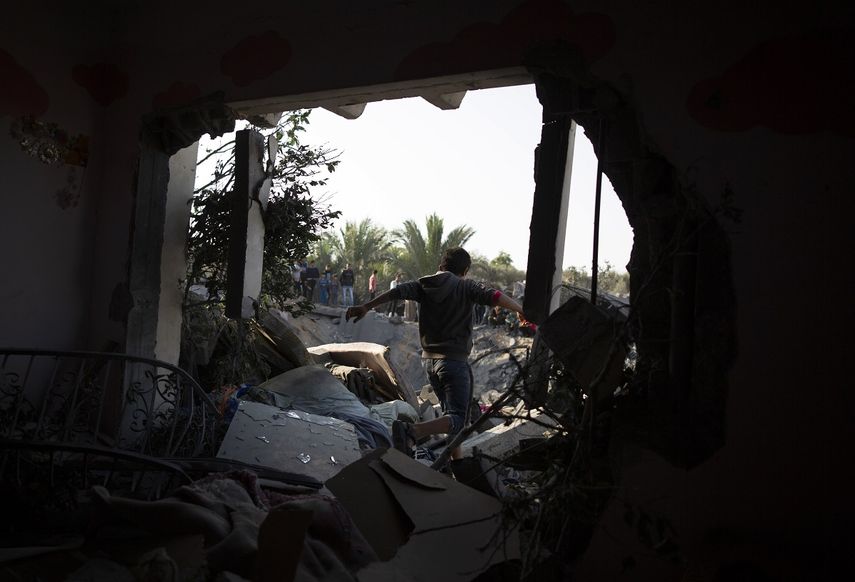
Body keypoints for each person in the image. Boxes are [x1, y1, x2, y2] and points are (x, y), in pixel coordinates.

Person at [346, 247, 525, 461]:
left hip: (430, 362)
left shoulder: (424, 284)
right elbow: (495, 296)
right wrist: (521, 310)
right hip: (454, 363)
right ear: (465, 270)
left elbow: (397, 292)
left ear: (441, 266)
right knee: (459, 419)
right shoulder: (465, 286)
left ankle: (456, 466)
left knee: (452, 418)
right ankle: (413, 431)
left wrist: (367, 306)